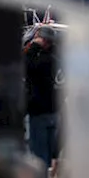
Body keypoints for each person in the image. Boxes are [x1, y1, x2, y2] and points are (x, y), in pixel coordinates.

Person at [24, 25, 61, 167]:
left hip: (38, 112)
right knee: (52, 155)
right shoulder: (57, 57)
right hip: (55, 110)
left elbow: (27, 67)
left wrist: (33, 47)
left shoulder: (39, 59)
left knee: (39, 158)